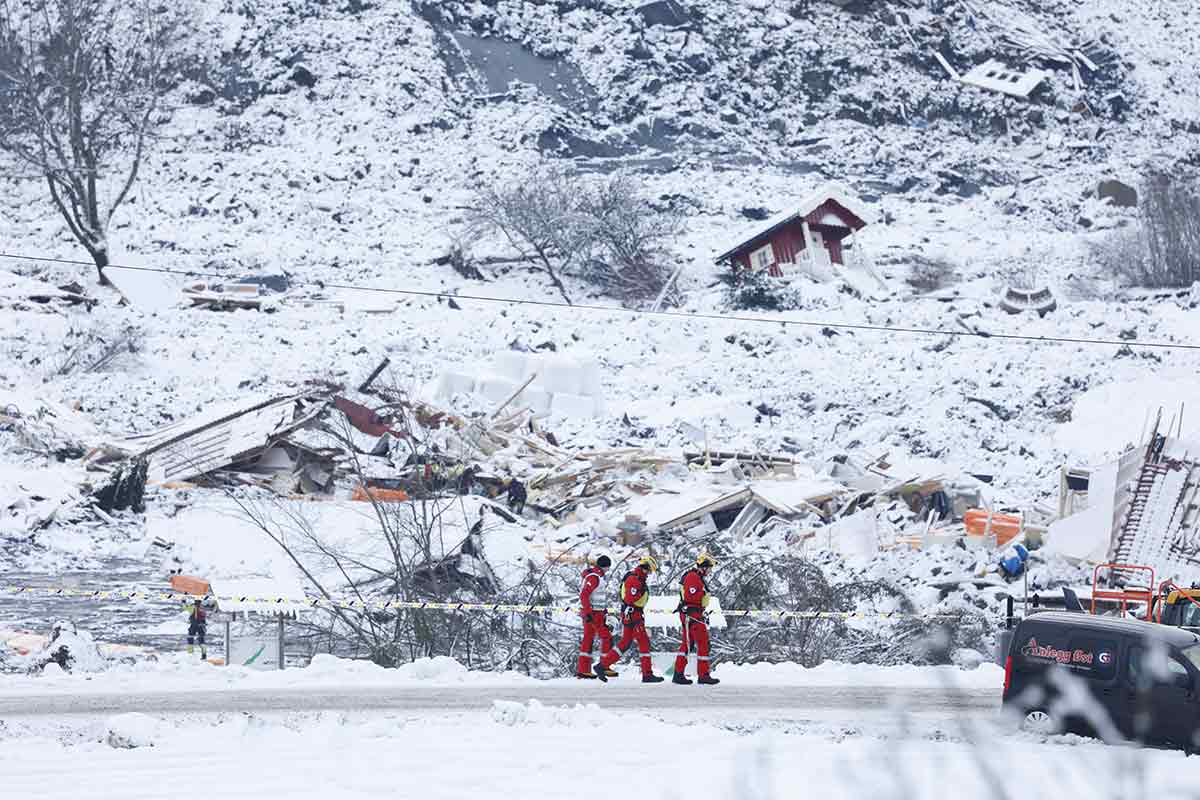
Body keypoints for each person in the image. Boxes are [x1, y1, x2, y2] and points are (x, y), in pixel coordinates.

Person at [594, 555, 665, 683]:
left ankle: (602, 665)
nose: (649, 574)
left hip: (632, 614)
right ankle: (647, 674)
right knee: (644, 642)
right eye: (649, 570)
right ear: (644, 568)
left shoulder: (638, 578)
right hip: (633, 615)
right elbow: (630, 599)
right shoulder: (634, 579)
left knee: (625, 643)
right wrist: (640, 595)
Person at [673, 553, 720, 685]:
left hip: (694, 614)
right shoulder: (693, 577)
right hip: (692, 615)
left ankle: (679, 674)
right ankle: (702, 675)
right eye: (709, 568)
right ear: (703, 567)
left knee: (688, 644)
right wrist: (703, 595)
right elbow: (692, 597)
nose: (710, 571)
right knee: (702, 643)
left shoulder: (696, 577)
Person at [576, 553, 617, 679]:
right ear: (605, 567)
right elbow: (584, 595)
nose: (608, 570)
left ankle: (584, 670)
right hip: (593, 614)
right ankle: (604, 666)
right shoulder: (594, 577)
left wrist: (604, 612)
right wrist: (589, 613)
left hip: (595, 613)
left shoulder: (596, 576)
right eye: (608, 568)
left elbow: (596, 597)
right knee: (607, 637)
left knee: (588, 639)